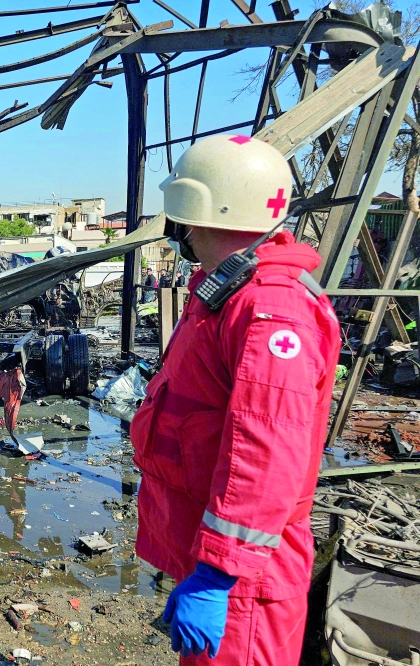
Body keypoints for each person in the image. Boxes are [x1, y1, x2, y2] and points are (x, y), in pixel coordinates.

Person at [130, 134, 340, 665]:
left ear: (206, 212)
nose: (186, 231)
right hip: (224, 563)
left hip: (245, 581)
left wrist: (219, 574)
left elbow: (266, 454)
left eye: (188, 217)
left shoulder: (270, 312)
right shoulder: (231, 292)